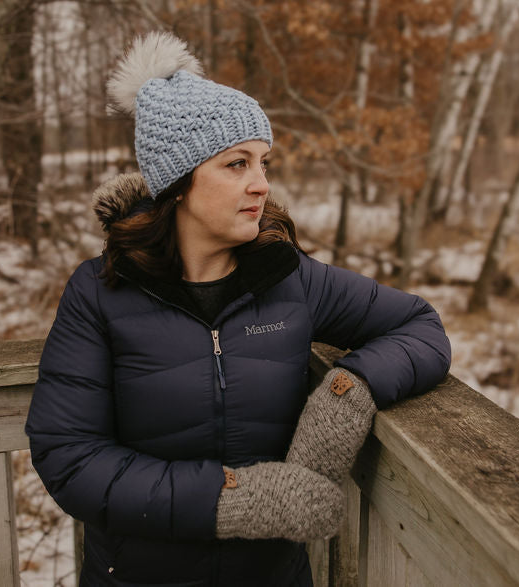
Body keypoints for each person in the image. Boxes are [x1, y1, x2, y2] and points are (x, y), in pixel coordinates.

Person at [25, 32, 451, 586]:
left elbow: (422, 326)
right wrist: (237, 500)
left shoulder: (288, 277)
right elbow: (70, 459)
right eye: (236, 164)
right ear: (178, 183)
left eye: (263, 162)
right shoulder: (100, 292)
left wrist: (347, 395)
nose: (262, 184)